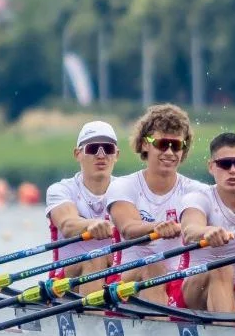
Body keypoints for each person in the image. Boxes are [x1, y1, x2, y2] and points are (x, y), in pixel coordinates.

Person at [106, 104, 209, 305]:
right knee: (154, 266)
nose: (170, 152)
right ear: (145, 144)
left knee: (219, 271)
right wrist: (157, 228)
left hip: (179, 280)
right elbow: (128, 229)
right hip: (126, 279)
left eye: (177, 145)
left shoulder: (196, 190)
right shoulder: (123, 186)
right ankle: (162, 331)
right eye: (162, 144)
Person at [178, 132, 235, 312]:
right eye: (225, 164)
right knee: (222, 268)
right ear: (211, 167)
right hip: (197, 289)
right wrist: (206, 232)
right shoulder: (198, 198)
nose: (233, 170)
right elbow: (190, 229)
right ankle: (228, 333)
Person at [44, 121, 119, 293]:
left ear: (116, 155)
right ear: (78, 154)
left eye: (108, 149)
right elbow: (67, 225)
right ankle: (93, 317)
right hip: (66, 282)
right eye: (93, 149)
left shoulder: (127, 189)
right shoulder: (61, 190)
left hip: (115, 275)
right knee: (95, 258)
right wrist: (90, 225)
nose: (101, 155)